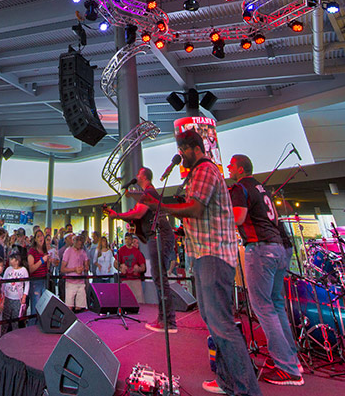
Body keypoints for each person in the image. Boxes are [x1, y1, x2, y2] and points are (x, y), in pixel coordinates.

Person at [144, 130, 262, 396]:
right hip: (205, 254)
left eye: (183, 150)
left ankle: (247, 390)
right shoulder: (197, 174)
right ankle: (227, 381)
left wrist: (160, 207)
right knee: (214, 321)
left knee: (221, 324)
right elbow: (198, 213)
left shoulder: (206, 170)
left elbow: (196, 208)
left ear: (195, 148)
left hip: (214, 255)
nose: (180, 155)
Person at [227, 154, 302, 385]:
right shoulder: (261, 188)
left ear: (239, 169)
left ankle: (287, 368)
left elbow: (238, 218)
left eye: (230, 165)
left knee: (263, 307)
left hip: (260, 249)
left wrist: (217, 217)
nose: (228, 168)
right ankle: (290, 357)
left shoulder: (240, 187)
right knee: (276, 305)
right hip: (278, 248)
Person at [107, 166, 175, 331]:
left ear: (144, 177)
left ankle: (168, 321)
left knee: (160, 278)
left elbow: (137, 214)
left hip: (159, 236)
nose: (136, 175)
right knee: (160, 278)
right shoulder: (147, 194)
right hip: (157, 236)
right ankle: (164, 319)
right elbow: (138, 214)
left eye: (138, 173)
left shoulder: (150, 192)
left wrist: (117, 215)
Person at [60, 232, 90, 311]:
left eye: (81, 241)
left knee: (80, 308)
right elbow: (62, 269)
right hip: (70, 283)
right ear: (74, 241)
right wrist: (74, 269)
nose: (80, 242)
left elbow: (87, 265)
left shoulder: (83, 252)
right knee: (69, 307)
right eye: (78, 240)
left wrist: (84, 267)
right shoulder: (68, 251)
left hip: (80, 283)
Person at [1, 250, 27, 334]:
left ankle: (15, 335)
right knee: (5, 318)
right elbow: (3, 282)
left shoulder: (23, 271)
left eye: (12, 259)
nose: (10, 260)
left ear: (17, 260)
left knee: (15, 319)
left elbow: (27, 284)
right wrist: (2, 294)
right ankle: (3, 335)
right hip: (8, 297)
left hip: (17, 298)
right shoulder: (8, 270)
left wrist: (24, 296)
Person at [116, 232, 147, 304]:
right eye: (126, 239)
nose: (127, 241)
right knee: (125, 301)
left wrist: (138, 269)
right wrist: (120, 267)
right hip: (125, 279)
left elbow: (143, 267)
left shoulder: (137, 252)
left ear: (132, 240)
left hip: (135, 279)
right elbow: (115, 263)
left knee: (139, 301)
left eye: (129, 239)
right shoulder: (121, 250)